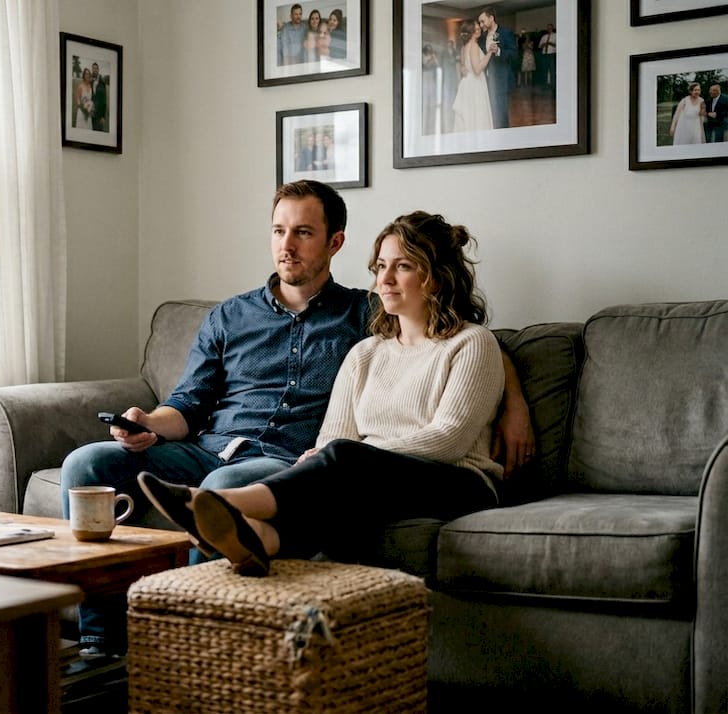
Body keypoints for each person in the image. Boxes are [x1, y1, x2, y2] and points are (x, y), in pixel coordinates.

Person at [60, 180, 534, 657]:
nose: (287, 246)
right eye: (279, 231)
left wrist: (514, 402)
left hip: (283, 460)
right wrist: (148, 422)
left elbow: (466, 337)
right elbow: (188, 403)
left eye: (303, 232)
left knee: (275, 475)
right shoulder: (249, 320)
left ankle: (193, 632)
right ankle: (100, 640)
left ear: (335, 242)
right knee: (88, 464)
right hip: (211, 447)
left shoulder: (363, 313)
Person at [137, 210, 506, 578]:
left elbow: (448, 440)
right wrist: (320, 459)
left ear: (436, 277)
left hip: (460, 483)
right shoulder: (366, 353)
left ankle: (219, 503)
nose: (386, 280)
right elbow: (334, 436)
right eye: (380, 267)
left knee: (344, 460)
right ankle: (258, 540)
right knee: (334, 492)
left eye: (403, 266)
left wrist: (347, 455)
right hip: (373, 478)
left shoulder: (471, 343)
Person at [478, 7, 517, 129]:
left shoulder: (506, 32)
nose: (480, 25)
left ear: (491, 18)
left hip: (501, 79)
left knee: (501, 113)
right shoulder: (482, 37)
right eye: (479, 22)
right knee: (489, 112)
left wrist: (499, 51)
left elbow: (514, 54)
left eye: (483, 21)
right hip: (485, 80)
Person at [452, 19, 494, 133]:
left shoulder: (464, 47)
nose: (479, 29)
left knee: (469, 116)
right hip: (475, 84)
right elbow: (477, 69)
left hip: (466, 84)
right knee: (477, 115)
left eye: (478, 27)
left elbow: (464, 67)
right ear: (471, 31)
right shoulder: (474, 46)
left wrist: (463, 69)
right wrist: (490, 53)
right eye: (476, 28)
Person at [90, 62, 109, 132]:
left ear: (98, 70)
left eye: (96, 68)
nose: (94, 70)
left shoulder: (102, 82)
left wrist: (103, 116)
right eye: (93, 68)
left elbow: (104, 100)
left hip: (99, 112)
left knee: (99, 131)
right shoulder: (90, 81)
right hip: (92, 112)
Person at [538, 23, 557, 88]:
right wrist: (543, 45)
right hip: (544, 54)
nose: (549, 29)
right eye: (548, 28)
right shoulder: (544, 36)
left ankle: (553, 85)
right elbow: (539, 46)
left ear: (552, 28)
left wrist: (551, 43)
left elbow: (558, 45)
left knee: (552, 70)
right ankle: (544, 85)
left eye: (550, 27)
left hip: (551, 54)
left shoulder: (556, 35)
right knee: (544, 70)